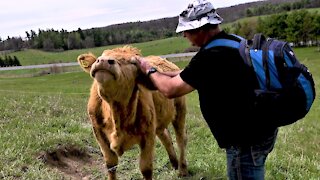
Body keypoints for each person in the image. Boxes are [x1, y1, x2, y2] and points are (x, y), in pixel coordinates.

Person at [135, 0, 278, 179]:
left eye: (186, 30)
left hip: (244, 140)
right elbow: (192, 74)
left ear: (200, 29)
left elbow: (170, 90)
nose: (185, 36)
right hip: (262, 127)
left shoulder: (210, 56)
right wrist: (168, 73)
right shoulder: (232, 41)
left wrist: (148, 68)